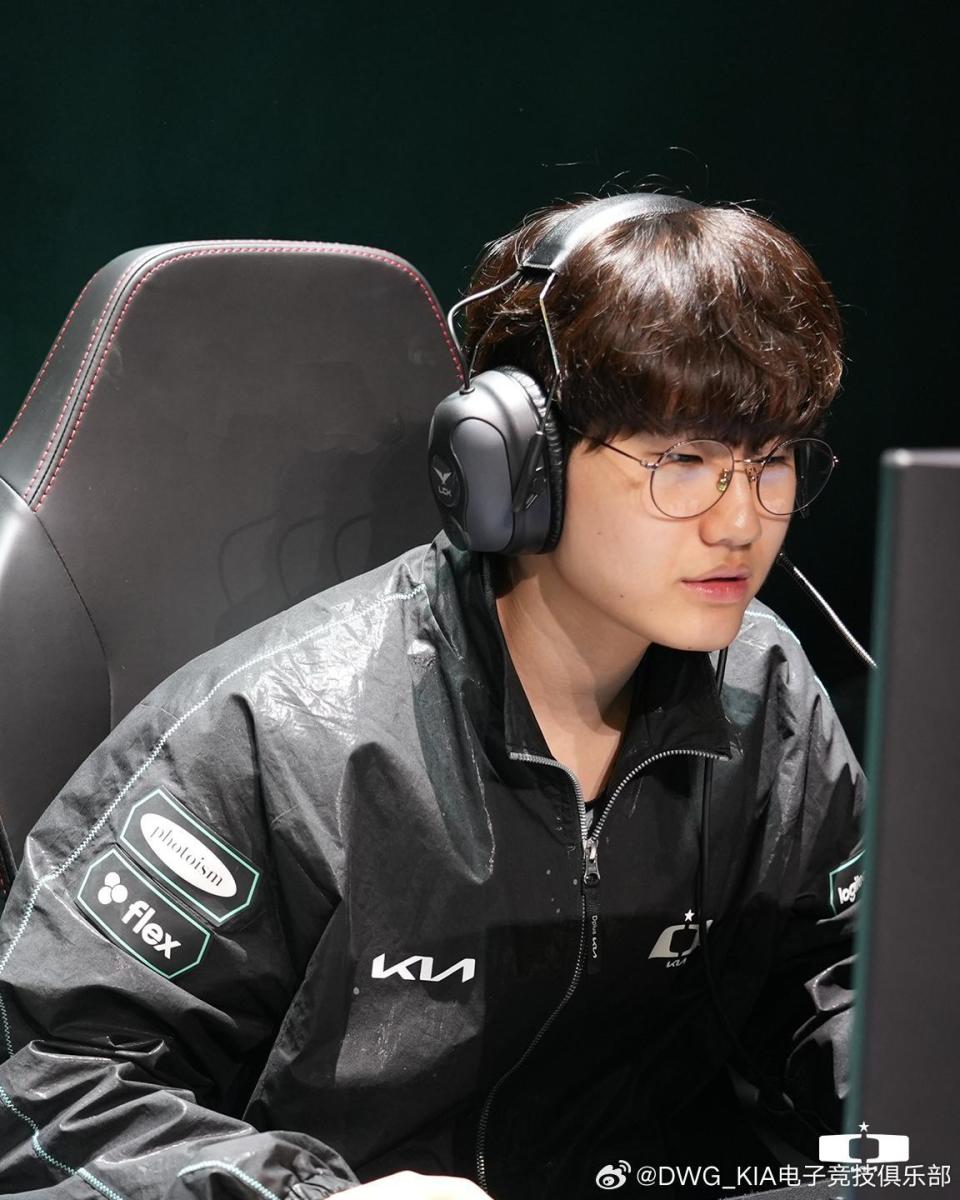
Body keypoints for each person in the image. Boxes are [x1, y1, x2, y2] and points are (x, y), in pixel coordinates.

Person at [0, 193, 864, 1200]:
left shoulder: (766, 690)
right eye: (684, 463)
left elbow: (839, 986)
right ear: (517, 463)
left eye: (771, 463)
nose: (742, 521)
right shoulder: (275, 738)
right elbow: (51, 1090)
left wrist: (905, 1110)